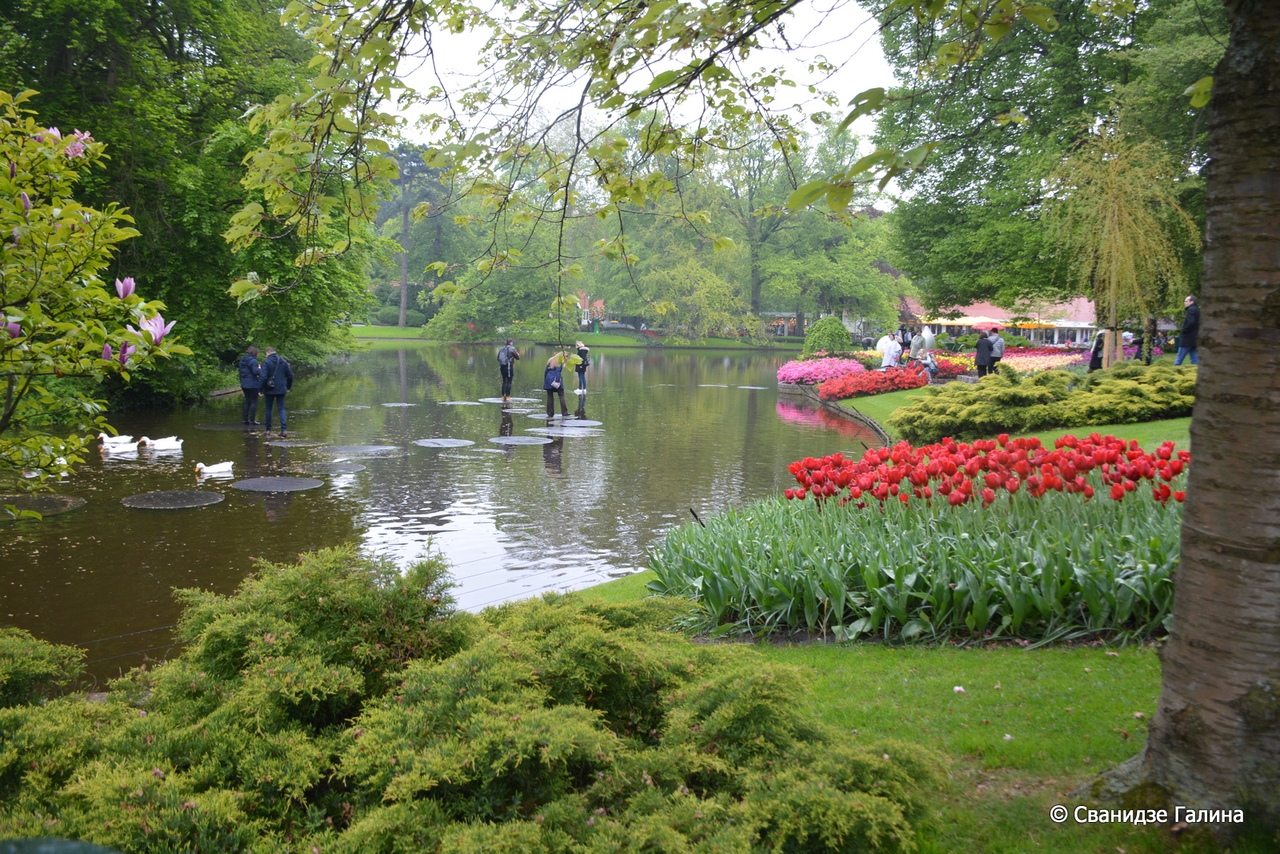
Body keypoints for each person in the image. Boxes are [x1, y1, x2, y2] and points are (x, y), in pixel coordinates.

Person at [260, 346, 294, 436]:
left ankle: (268, 430)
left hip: (269, 389)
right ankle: (284, 430)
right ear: (274, 352)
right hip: (281, 389)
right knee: (281, 409)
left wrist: (260, 389)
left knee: (268, 409)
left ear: (267, 353)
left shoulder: (266, 362)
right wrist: (288, 387)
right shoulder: (283, 361)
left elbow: (263, 377)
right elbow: (290, 376)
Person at [238, 345, 262, 425]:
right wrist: (260, 368)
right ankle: (252, 420)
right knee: (253, 402)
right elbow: (255, 372)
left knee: (247, 401)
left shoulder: (242, 360)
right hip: (252, 384)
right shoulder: (253, 361)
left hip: (244, 384)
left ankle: (245, 419)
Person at [1175, 295, 1200, 365]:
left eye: (1186, 301)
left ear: (1191, 302)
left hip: (1187, 338)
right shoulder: (1197, 310)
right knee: (1194, 358)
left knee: (1179, 357)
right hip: (1194, 339)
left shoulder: (1191, 310)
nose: (1184, 303)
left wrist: (1184, 331)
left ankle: (1175, 371)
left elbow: (1190, 322)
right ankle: (1194, 372)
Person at [543, 352, 569, 418]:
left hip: (548, 379)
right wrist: (557, 381)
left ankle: (550, 413)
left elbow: (546, 371)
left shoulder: (550, 360)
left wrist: (546, 381)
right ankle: (564, 412)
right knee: (561, 396)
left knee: (549, 397)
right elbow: (557, 371)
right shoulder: (560, 362)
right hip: (556, 380)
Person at [497, 338, 520, 404]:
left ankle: (502, 396)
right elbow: (518, 358)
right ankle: (507, 396)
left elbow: (498, 358)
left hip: (502, 367)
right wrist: (517, 355)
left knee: (504, 381)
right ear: (511, 342)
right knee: (509, 381)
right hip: (509, 367)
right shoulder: (512, 348)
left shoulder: (501, 349)